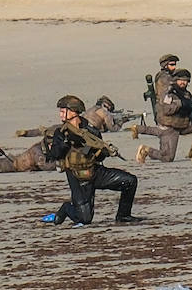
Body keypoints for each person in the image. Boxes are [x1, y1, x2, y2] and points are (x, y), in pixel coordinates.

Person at [41, 96, 140, 225]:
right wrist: (66, 143)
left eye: (63, 110)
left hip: (95, 172)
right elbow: (54, 154)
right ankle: (65, 209)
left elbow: (99, 153)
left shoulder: (90, 130)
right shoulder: (60, 133)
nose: (60, 114)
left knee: (129, 181)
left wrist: (102, 152)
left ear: (73, 111)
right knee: (84, 219)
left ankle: (124, 215)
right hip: (78, 179)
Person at [134, 66, 192, 162]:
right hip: (170, 126)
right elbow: (166, 110)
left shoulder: (186, 94)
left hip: (182, 123)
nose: (183, 82)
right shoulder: (169, 94)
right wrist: (179, 104)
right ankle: (146, 150)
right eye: (180, 80)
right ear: (175, 81)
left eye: (186, 81)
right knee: (167, 158)